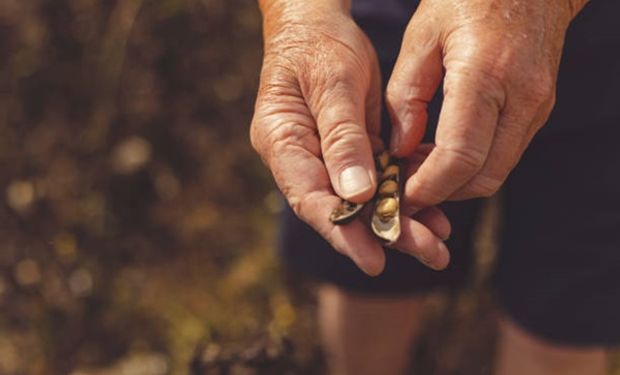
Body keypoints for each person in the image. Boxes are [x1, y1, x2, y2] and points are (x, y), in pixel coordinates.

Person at [251, 0, 620, 374]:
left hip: (606, 53)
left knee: (562, 317)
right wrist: (298, 13)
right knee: (368, 280)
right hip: (381, 22)